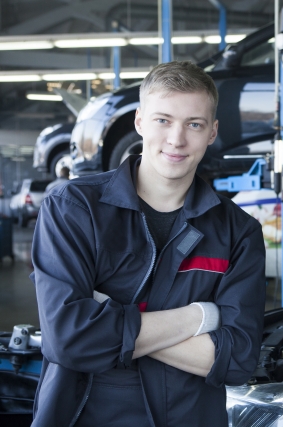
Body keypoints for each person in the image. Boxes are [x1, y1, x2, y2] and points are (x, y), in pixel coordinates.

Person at [30, 61, 266, 426]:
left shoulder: (238, 231)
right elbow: (69, 339)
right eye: (163, 120)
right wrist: (200, 317)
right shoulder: (74, 208)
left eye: (194, 124)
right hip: (85, 416)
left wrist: (108, 317)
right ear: (139, 121)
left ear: (212, 132)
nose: (176, 139)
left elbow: (237, 359)